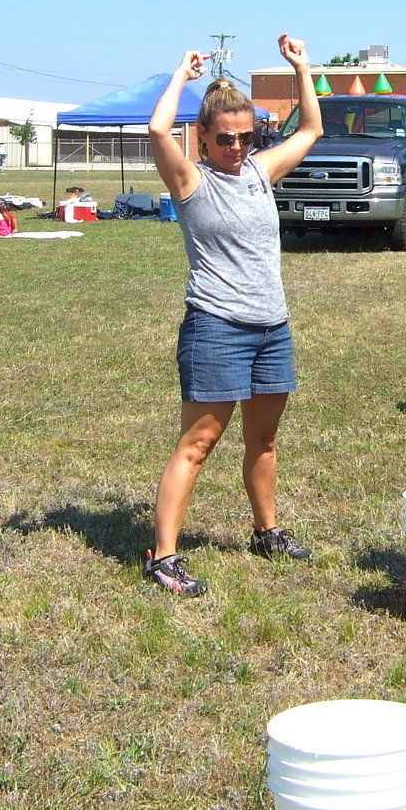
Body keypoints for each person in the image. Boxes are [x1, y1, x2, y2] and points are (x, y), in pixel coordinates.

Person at [143, 34, 323, 597]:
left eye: (247, 137)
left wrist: (302, 67)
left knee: (263, 442)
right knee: (197, 445)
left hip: (272, 327)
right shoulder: (192, 181)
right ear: (203, 137)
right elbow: (155, 130)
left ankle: (266, 531)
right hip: (216, 327)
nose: (238, 147)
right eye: (226, 139)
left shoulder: (257, 173)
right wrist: (180, 73)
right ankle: (164, 557)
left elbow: (311, 130)